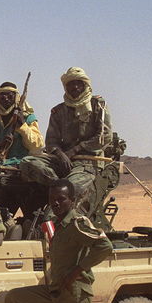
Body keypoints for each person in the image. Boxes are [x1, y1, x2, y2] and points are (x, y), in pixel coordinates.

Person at [19, 67, 113, 202]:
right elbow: (51, 141)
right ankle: (58, 185)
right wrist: (60, 154)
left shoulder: (98, 105)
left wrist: (75, 149)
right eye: (70, 84)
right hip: (62, 160)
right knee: (27, 162)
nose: (74, 87)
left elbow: (105, 136)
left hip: (88, 162)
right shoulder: (58, 111)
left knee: (71, 190)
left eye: (78, 83)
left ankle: (62, 190)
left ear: (85, 84)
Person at [0, 81, 44, 170]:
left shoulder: (28, 118)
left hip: (23, 163)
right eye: (1, 96)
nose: (5, 99)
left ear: (16, 97)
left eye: (9, 95)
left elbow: (38, 145)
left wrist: (23, 127)